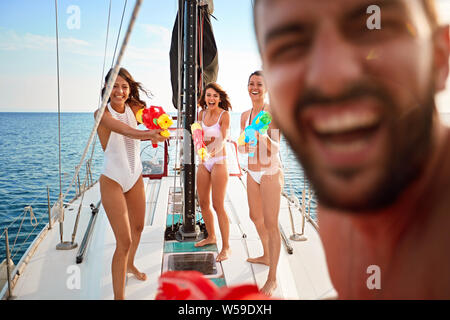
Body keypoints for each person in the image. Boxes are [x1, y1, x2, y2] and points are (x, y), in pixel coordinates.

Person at [253, 0, 450, 299]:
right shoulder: (336, 209)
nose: (330, 77)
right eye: (290, 46)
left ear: (439, 55)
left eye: (372, 30)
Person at [95, 68, 168, 300]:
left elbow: (152, 116)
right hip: (113, 179)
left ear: (129, 88)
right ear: (106, 89)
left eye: (124, 86)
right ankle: (119, 297)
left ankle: (130, 265)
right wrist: (150, 135)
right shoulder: (100, 113)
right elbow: (125, 130)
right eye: (114, 86)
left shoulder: (134, 107)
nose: (119, 91)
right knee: (123, 241)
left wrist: (160, 124)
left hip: (135, 175)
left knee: (138, 228)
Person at [238, 71, 283, 296]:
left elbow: (275, 148)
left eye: (259, 84)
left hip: (269, 173)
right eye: (251, 83)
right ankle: (266, 255)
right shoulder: (244, 115)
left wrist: (262, 134)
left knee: (271, 224)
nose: (254, 87)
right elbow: (244, 146)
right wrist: (244, 145)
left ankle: (272, 278)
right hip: (252, 172)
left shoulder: (271, 113)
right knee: (255, 217)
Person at [194, 82, 232, 262]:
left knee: (218, 205)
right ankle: (211, 236)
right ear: (204, 98)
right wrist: (199, 147)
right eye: (209, 95)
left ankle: (226, 247)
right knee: (202, 202)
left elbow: (223, 139)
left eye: (215, 96)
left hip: (219, 161)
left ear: (220, 98)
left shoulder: (224, 115)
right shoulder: (200, 114)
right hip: (204, 161)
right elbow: (198, 137)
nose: (211, 99)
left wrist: (211, 149)